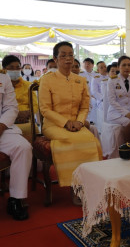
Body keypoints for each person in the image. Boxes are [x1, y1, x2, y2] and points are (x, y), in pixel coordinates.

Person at [38, 42, 102, 201]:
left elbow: (84, 106)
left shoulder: (80, 80)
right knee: (75, 139)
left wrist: (80, 122)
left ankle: (88, 184)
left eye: (71, 55)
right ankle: (75, 187)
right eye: (63, 55)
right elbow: (45, 109)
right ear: (56, 58)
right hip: (54, 125)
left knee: (91, 140)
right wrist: (66, 123)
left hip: (77, 124)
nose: (68, 59)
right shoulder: (47, 80)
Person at [0, 68, 33, 221]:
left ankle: (16, 199)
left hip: (2, 128)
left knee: (23, 147)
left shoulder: (3, 77)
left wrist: (2, 125)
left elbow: (11, 107)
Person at [107, 56, 130, 142]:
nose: (127, 67)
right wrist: (126, 113)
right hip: (115, 113)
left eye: (129, 65)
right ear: (118, 67)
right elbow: (112, 101)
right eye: (124, 65)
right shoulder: (112, 81)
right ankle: (128, 148)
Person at [2, 55, 38, 142]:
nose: (15, 70)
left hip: (26, 120)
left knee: (34, 130)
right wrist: (13, 116)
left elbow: (35, 105)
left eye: (17, 67)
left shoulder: (28, 85)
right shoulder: (1, 86)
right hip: (5, 122)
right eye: (11, 68)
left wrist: (27, 114)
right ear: (4, 69)